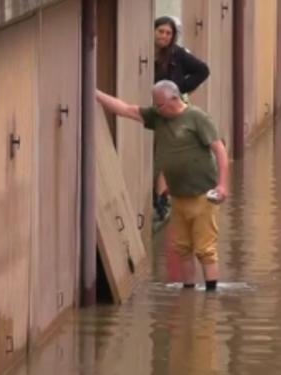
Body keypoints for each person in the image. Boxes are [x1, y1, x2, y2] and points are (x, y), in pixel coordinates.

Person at [96, 80, 228, 291]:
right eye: (155, 105)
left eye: (161, 105)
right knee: (183, 248)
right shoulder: (158, 117)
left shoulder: (197, 118)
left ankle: (211, 295)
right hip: (178, 195)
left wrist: (222, 185)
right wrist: (95, 93)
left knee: (205, 249)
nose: (157, 109)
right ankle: (189, 292)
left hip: (203, 194)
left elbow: (219, 150)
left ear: (175, 99)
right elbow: (125, 109)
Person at [152, 15, 211, 225]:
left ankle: (161, 200)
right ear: (153, 31)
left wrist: (180, 88)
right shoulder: (146, 52)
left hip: (171, 110)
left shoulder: (177, 54)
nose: (164, 37)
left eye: (168, 33)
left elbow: (203, 70)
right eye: (160, 32)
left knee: (166, 152)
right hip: (151, 109)